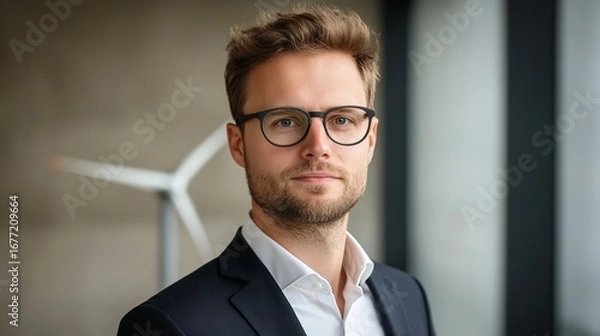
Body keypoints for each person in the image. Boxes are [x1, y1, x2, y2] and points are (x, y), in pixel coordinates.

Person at [117, 5, 435, 336]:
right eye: (285, 121)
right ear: (238, 144)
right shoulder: (172, 325)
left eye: (342, 120)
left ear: (369, 140)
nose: (318, 145)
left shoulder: (409, 298)